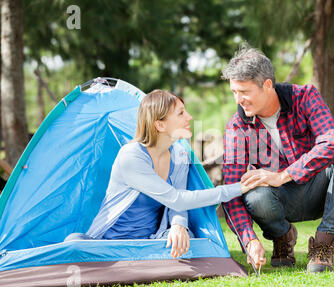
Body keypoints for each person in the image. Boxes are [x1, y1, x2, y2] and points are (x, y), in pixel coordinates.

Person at [65, 89, 263, 259]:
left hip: (151, 242)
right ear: (160, 125)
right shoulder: (131, 156)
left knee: (187, 239)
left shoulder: (179, 153)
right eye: (180, 114)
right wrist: (238, 188)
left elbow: (177, 202)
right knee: (73, 244)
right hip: (111, 245)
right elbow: (177, 199)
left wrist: (178, 225)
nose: (189, 118)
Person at [221, 45, 334, 272]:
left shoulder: (305, 97)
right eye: (234, 92)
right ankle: (283, 237)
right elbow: (231, 190)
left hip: (321, 191)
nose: (238, 99)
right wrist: (249, 240)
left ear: (267, 85)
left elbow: (332, 141)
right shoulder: (237, 127)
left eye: (244, 92)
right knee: (253, 193)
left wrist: (283, 175)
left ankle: (324, 241)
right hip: (280, 201)